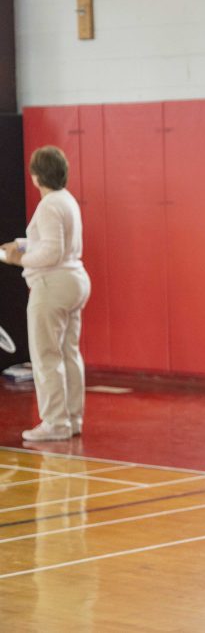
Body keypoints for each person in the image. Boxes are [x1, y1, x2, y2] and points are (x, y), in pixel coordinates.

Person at [1, 146, 91, 442]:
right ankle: (71, 418)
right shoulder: (66, 200)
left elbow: (51, 251)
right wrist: (18, 244)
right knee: (68, 353)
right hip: (73, 281)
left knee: (46, 356)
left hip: (52, 286)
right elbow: (51, 242)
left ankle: (55, 422)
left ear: (36, 176)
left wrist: (18, 258)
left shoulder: (50, 204)